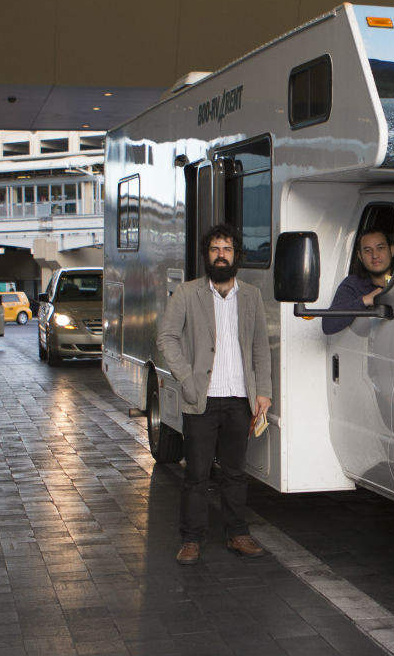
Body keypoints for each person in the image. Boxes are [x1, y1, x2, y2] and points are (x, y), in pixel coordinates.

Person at [157, 224, 273, 566]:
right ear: (207, 256)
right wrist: (187, 378)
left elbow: (260, 349)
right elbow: (167, 339)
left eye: (227, 249)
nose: (220, 255)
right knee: (197, 474)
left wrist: (263, 391)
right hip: (201, 400)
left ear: (236, 256)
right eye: (214, 249)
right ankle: (191, 540)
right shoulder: (187, 293)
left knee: (236, 473)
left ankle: (238, 534)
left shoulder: (250, 296)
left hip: (240, 400)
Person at [322, 229, 394, 335]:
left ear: (391, 250)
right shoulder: (353, 284)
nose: (375, 255)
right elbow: (329, 325)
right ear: (360, 256)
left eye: (380, 248)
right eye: (367, 250)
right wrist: (365, 300)